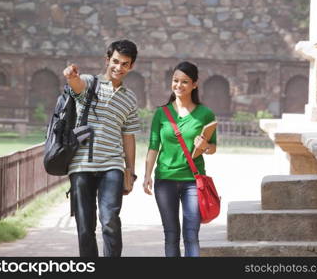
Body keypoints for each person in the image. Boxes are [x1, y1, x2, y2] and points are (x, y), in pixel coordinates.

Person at [63, 39, 140, 257]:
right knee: (85, 227)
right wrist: (71, 77)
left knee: (110, 222)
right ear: (107, 60)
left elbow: (128, 136)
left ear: (131, 66)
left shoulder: (130, 98)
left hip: (112, 166)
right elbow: (77, 86)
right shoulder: (89, 82)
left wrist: (130, 170)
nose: (119, 67)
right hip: (81, 165)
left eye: (125, 64)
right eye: (115, 61)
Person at [143, 61, 217, 257]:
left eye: (185, 81)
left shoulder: (205, 114)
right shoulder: (161, 113)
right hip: (164, 180)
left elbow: (213, 148)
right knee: (171, 235)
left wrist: (205, 147)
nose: (179, 85)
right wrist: (147, 175)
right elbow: (153, 147)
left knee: (191, 235)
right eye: (175, 80)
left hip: (193, 181)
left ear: (195, 84)